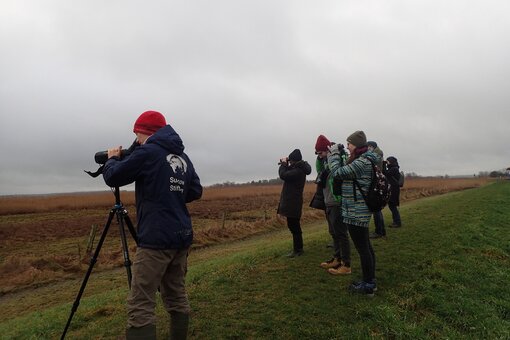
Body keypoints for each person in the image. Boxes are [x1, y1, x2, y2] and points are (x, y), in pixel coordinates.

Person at [103, 110, 202, 340]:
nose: (136, 140)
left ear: (145, 132)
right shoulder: (183, 157)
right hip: (182, 236)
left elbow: (114, 177)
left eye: (137, 134)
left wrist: (111, 158)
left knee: (141, 302)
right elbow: (196, 190)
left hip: (156, 239)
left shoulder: (148, 152)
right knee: (176, 294)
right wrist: (170, 193)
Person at [328, 130, 379, 296]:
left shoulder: (362, 162)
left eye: (349, 144)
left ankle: (368, 285)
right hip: (358, 209)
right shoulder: (363, 160)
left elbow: (337, 173)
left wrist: (334, 154)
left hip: (357, 211)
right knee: (366, 246)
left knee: (363, 248)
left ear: (356, 144)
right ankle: (370, 280)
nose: (347, 146)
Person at [314, 135, 352, 275]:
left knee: (341, 233)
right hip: (328, 201)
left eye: (321, 152)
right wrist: (320, 158)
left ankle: (346, 264)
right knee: (334, 232)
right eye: (317, 153)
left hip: (337, 201)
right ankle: (337, 258)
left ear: (328, 150)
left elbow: (339, 171)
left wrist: (334, 154)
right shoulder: (324, 162)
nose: (319, 155)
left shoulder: (337, 160)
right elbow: (319, 171)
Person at [277, 148, 312, 257]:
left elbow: (284, 175)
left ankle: (298, 250)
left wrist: (283, 165)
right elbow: (289, 172)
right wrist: (287, 164)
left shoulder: (298, 171)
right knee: (294, 226)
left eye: (291, 161)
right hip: (294, 202)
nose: (290, 163)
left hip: (293, 202)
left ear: (295, 161)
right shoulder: (299, 168)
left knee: (294, 226)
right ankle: (298, 249)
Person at [367, 141, 386, 239]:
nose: (367, 149)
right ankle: (381, 231)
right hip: (377, 183)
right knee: (377, 209)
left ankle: (379, 231)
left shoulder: (376, 155)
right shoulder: (378, 154)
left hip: (375, 183)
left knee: (376, 209)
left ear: (372, 147)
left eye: (368, 147)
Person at [383, 156, 402, 228]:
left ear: (391, 161)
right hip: (393, 189)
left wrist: (383, 165)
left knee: (393, 206)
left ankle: (397, 222)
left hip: (394, 190)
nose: (386, 162)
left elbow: (385, 173)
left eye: (387, 161)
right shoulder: (394, 168)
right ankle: (396, 221)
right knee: (392, 206)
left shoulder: (394, 169)